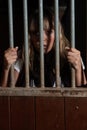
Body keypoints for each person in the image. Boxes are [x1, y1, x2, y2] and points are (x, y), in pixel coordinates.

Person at [1, 7, 87, 87]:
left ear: (58, 33)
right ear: (29, 35)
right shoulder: (22, 56)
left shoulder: (71, 55)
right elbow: (7, 97)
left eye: (49, 31)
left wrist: (78, 66)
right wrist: (6, 68)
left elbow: (81, 97)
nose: (42, 39)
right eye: (36, 33)